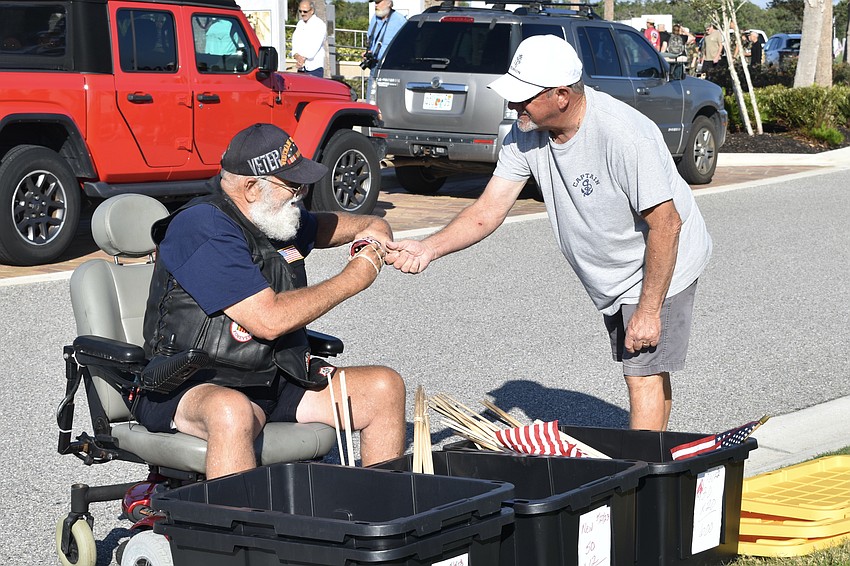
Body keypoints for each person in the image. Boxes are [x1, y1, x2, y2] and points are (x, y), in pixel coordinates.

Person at [385, 35, 712, 432]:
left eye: (524, 97)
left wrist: (648, 310)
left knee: (640, 372)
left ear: (561, 95)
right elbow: (487, 210)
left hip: (660, 261)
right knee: (647, 368)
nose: (513, 105)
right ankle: (654, 459)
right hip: (614, 270)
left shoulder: (624, 135)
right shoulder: (525, 133)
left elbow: (667, 224)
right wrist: (427, 248)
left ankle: (637, 480)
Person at [138, 123, 405, 478]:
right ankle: (238, 531)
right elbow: (268, 320)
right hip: (194, 381)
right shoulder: (203, 227)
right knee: (231, 411)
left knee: (383, 388)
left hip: (271, 376)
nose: (301, 194)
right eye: (292, 185)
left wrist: (373, 228)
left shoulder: (270, 215)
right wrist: (353, 278)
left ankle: (382, 518)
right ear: (250, 187)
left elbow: (332, 225)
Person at [364, 0, 406, 101]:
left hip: (390, 68)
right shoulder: (375, 18)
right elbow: (371, 39)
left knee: (388, 101)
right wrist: (368, 52)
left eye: (378, 2)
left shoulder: (400, 21)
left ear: (388, 3)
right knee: (371, 100)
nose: (376, 5)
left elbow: (404, 46)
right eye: (375, 2)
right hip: (374, 66)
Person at [291, 0, 326, 77]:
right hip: (301, 68)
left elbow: (314, 47)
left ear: (312, 11)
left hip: (314, 68)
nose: (302, 14)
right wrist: (296, 55)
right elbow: (295, 42)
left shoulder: (319, 25)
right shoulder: (300, 24)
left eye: (305, 11)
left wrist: (302, 59)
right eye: (300, 11)